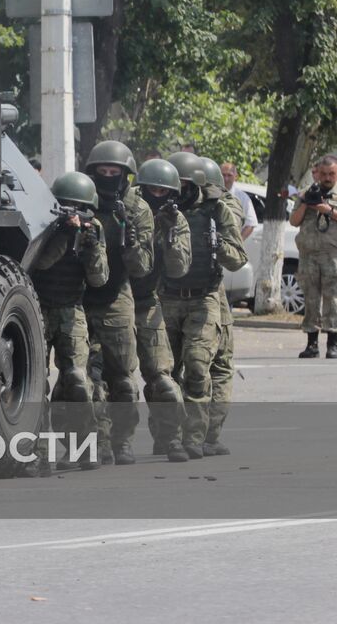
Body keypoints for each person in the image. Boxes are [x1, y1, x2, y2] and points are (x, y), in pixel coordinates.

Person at [158, 152, 247, 459]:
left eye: (183, 184)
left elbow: (238, 259)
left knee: (198, 367)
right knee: (164, 374)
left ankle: (194, 438)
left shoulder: (216, 209)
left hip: (204, 298)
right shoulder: (158, 209)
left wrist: (216, 244)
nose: (177, 191)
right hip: (166, 298)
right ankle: (168, 437)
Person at [30, 171, 108, 471]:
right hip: (39, 307)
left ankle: (85, 448)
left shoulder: (94, 229)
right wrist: (62, 235)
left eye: (79, 207)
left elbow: (100, 278)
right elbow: (42, 263)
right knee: (37, 385)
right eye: (67, 206)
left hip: (71, 310)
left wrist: (88, 245)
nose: (73, 213)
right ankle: (38, 451)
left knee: (77, 380)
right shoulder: (47, 223)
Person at [81, 140, 153, 466]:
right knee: (87, 379)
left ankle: (123, 441)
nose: (108, 176)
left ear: (126, 175)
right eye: (102, 171)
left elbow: (142, 268)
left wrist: (130, 236)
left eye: (114, 172)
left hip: (117, 297)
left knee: (122, 376)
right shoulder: (82, 201)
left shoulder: (137, 209)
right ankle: (98, 443)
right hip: (80, 297)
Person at [131, 158, 191, 462]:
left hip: (147, 303)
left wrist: (167, 235)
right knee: (110, 380)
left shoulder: (176, 221)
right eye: (151, 189)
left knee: (163, 379)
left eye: (163, 191)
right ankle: (113, 443)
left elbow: (178, 269)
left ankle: (171, 440)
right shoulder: (126, 211)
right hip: (115, 301)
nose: (157, 195)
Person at [291, 155, 337, 359]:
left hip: (333, 255)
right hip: (309, 255)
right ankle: (312, 344)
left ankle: (332, 344)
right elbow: (294, 221)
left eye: (332, 174)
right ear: (317, 173)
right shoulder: (305, 194)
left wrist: (327, 210)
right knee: (311, 300)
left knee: (333, 300)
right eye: (324, 174)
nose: (327, 177)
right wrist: (306, 204)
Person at [200, 156, 246, 455]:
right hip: (179, 295)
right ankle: (189, 435)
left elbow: (235, 256)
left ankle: (206, 435)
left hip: (211, 293)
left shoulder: (224, 207)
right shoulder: (163, 201)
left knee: (217, 363)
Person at [220, 162, 258, 240]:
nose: (226, 179)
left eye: (229, 175)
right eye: (223, 175)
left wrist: (237, 243)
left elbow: (250, 224)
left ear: (235, 176)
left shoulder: (243, 197)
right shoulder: (212, 193)